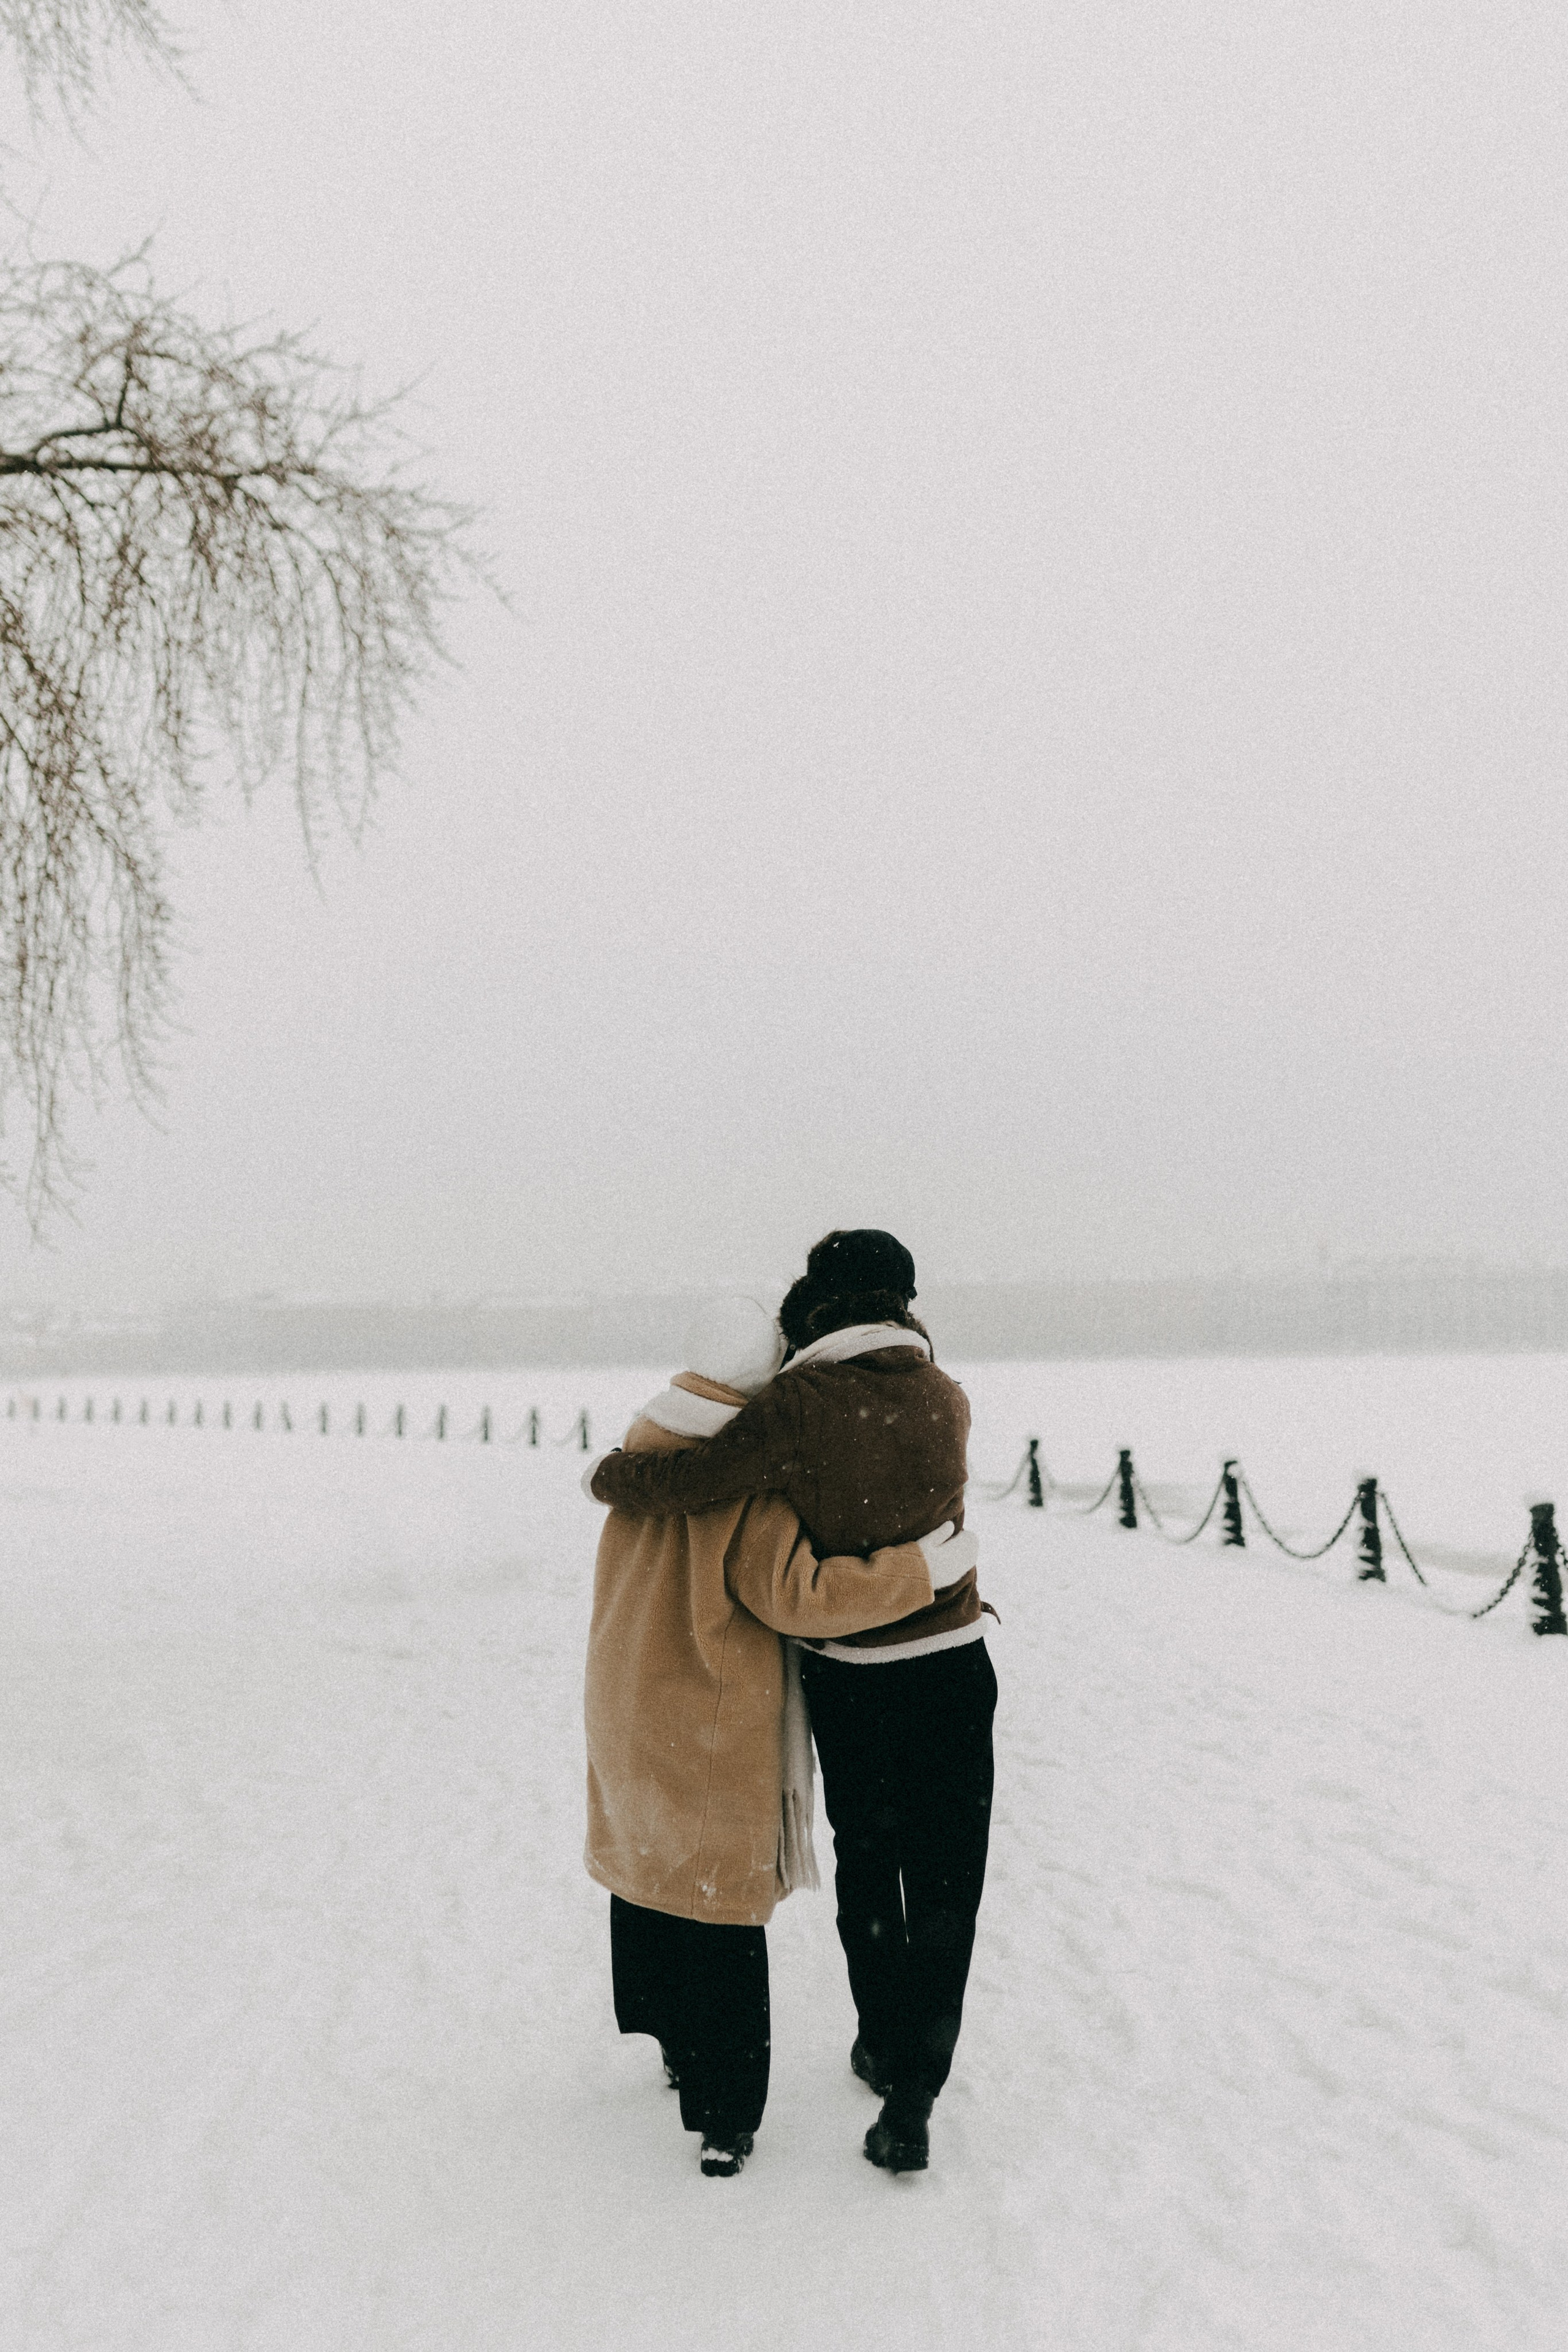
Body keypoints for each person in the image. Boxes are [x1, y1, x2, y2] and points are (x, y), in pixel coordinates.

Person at [589, 1230, 995, 2175]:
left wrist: (609, 1475)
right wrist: (935, 1567)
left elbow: (693, 1484)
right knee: (948, 1882)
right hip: (955, 1663)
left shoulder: (803, 1407)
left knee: (871, 1868)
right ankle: (914, 2084)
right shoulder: (947, 1398)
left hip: (854, 1676)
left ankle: (879, 2038)